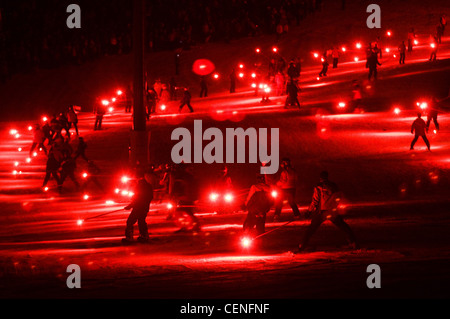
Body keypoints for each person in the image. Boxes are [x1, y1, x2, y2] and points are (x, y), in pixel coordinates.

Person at [296, 171, 357, 253]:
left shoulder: (318, 187)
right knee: (343, 226)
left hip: (321, 212)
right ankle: (353, 243)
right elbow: (338, 197)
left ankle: (302, 245)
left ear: (320, 178)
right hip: (331, 211)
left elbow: (315, 200)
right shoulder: (334, 186)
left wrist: (309, 211)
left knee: (311, 229)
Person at [122, 169, 154, 244]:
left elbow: (138, 198)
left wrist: (130, 205)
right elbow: (149, 197)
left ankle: (129, 237)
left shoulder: (140, 186)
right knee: (141, 221)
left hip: (138, 207)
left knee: (130, 221)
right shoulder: (148, 185)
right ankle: (144, 236)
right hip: (144, 207)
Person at [169, 163, 201, 232]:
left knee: (184, 211)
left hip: (186, 197)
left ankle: (194, 226)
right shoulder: (187, 176)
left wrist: (173, 194)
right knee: (185, 212)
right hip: (186, 197)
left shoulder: (184, 177)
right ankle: (189, 226)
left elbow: (177, 186)